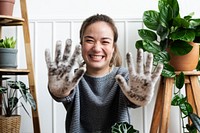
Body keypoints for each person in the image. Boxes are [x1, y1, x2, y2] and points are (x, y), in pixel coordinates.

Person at [45, 14, 163, 133]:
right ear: (81, 45)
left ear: (113, 48)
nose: (96, 48)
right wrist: (60, 93)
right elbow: (63, 93)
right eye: (90, 40)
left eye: (105, 42)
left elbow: (133, 99)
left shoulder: (125, 77)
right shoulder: (71, 80)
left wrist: (138, 99)